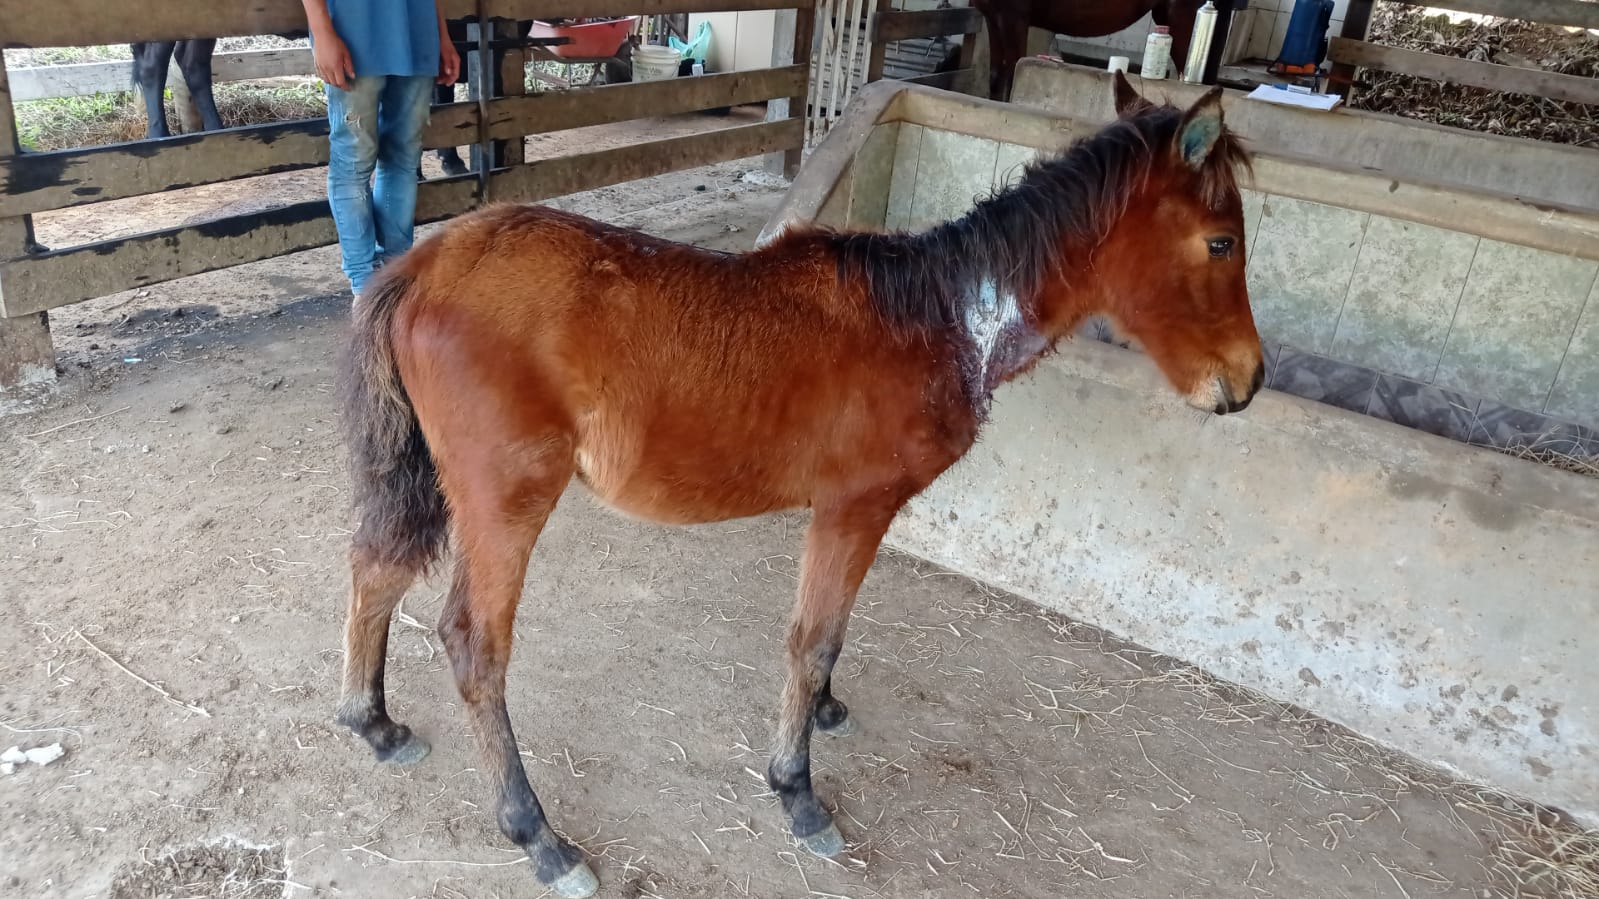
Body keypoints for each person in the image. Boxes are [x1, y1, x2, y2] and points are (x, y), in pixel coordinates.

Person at [301, 0, 460, 296]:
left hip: (418, 31)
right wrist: (322, 31)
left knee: (404, 157)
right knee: (353, 161)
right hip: (352, 29)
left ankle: (395, 277)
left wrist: (442, 35)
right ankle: (364, 287)